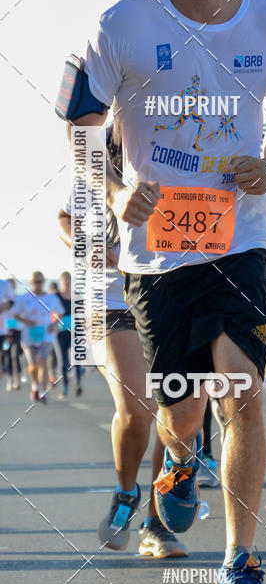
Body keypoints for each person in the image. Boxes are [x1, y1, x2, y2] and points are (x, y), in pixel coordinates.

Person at [65, 0, 266, 584]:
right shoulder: (119, 24)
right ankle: (176, 461)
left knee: (243, 394)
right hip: (155, 250)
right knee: (181, 409)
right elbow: (79, 123)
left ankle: (241, 560)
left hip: (241, 241)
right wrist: (109, 191)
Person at [58, 123, 188, 558]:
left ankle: (154, 521)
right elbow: (63, 217)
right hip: (110, 299)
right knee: (138, 408)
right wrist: (86, 246)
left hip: (164, 293)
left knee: (169, 411)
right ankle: (126, 492)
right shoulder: (97, 163)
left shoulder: (176, 154)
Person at [13, 273, 62, 402]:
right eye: (35, 281)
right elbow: (15, 315)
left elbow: (60, 312)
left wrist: (54, 323)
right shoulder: (24, 298)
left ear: (43, 282)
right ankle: (35, 386)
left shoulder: (51, 298)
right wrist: (26, 322)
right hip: (28, 336)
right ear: (30, 282)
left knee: (43, 361)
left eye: (40, 281)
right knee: (32, 365)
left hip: (46, 336)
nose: (37, 284)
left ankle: (43, 391)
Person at [54, 272, 83, 398]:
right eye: (64, 279)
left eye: (68, 278)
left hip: (75, 331)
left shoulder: (77, 295)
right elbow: (50, 312)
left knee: (76, 359)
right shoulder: (55, 296)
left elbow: (82, 313)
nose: (66, 281)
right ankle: (64, 386)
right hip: (60, 332)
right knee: (62, 361)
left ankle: (77, 384)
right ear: (60, 281)